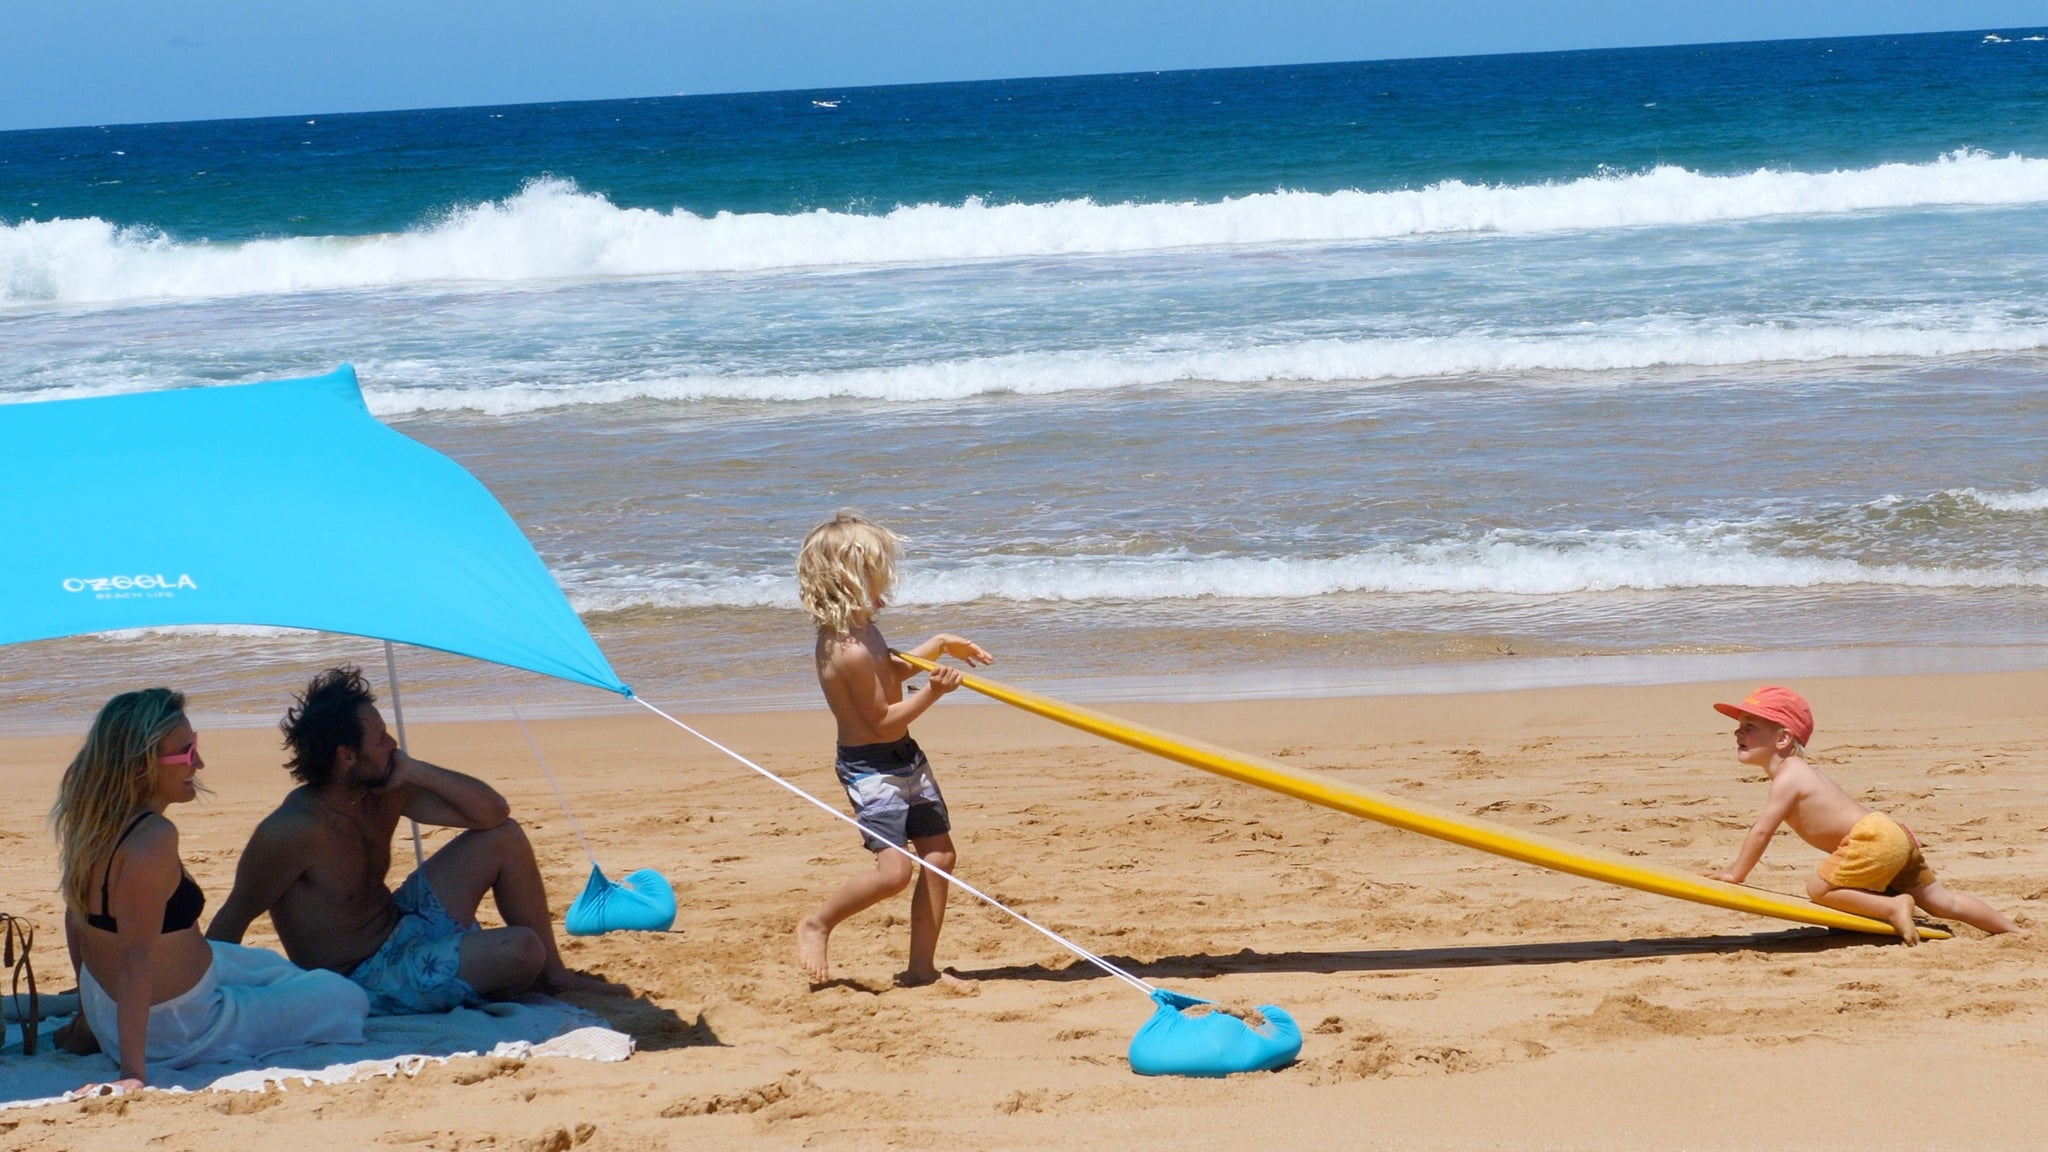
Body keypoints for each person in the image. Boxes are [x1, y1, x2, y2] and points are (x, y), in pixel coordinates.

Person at [207, 667, 620, 1014]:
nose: (393, 745)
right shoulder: (292, 830)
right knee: (521, 951)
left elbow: (493, 814)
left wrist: (415, 770)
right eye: (381, 739)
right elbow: (231, 921)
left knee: (504, 839)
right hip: (362, 977)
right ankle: (507, 975)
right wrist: (205, 1005)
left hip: (403, 924)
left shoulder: (384, 789)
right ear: (346, 756)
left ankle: (555, 978)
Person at [51, 689, 367, 1092]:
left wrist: (89, 1012)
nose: (198, 763)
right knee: (346, 999)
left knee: (274, 967)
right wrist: (132, 1072)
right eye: (185, 753)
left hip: (126, 998)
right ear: (143, 763)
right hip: (179, 1025)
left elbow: (74, 917)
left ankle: (106, 1022)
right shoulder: (151, 840)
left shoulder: (93, 818)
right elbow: (135, 958)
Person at [792, 511, 993, 987]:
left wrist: (940, 645)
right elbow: (881, 720)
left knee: (940, 858)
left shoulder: (867, 633)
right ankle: (818, 923)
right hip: (871, 768)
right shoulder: (846, 648)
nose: (884, 583)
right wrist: (934, 693)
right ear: (845, 578)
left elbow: (891, 676)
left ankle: (921, 968)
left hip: (905, 756)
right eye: (875, 573)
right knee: (894, 872)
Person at [1702, 685, 2024, 945]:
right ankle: (2013, 931)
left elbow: (1761, 831)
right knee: (1943, 902)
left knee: (1820, 889)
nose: (1737, 733)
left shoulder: (1790, 777)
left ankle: (1892, 906)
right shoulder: (1801, 773)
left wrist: (1735, 875)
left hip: (1871, 839)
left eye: (1749, 727)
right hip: (1891, 834)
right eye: (1738, 726)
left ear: (1783, 738)